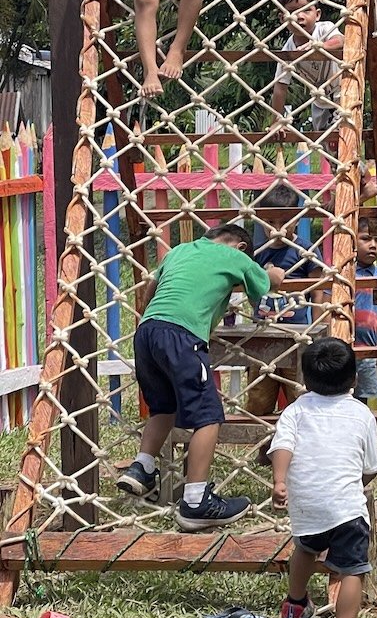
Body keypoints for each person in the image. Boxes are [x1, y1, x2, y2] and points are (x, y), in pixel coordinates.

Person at [116, 223, 285, 530]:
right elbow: (267, 285)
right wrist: (273, 272)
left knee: (163, 408)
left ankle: (142, 466)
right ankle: (196, 501)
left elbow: (151, 291)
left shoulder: (178, 251)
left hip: (147, 331)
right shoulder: (235, 256)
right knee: (208, 417)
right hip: (182, 336)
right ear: (240, 247)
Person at [270, 338, 377, 618]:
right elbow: (371, 467)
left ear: (305, 380)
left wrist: (280, 481)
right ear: (354, 379)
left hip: (306, 504)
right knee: (353, 571)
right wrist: (355, 484)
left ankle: (294, 607)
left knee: (305, 550)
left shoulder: (295, 410)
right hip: (346, 510)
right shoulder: (362, 414)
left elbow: (282, 445)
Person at [246, 182, 324, 417]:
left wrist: (317, 329)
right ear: (260, 221)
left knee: (299, 394)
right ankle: (261, 439)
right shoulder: (257, 253)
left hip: (296, 336)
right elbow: (251, 292)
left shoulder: (305, 251)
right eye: (270, 222)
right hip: (262, 337)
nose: (277, 229)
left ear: (297, 220)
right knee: (259, 398)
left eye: (284, 222)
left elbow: (318, 292)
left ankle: (298, 439)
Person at [270, 0, 344, 134]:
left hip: (342, 94)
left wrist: (320, 46)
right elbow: (280, 87)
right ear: (282, 18)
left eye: (306, 10)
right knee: (323, 142)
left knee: (341, 137)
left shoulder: (324, 29)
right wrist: (276, 120)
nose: (300, 16)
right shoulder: (288, 51)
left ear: (317, 14)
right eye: (292, 11)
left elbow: (340, 40)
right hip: (319, 101)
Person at [353, 217, 377, 408]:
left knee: (364, 397)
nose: (373, 245)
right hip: (344, 346)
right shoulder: (343, 273)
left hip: (368, 346)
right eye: (365, 239)